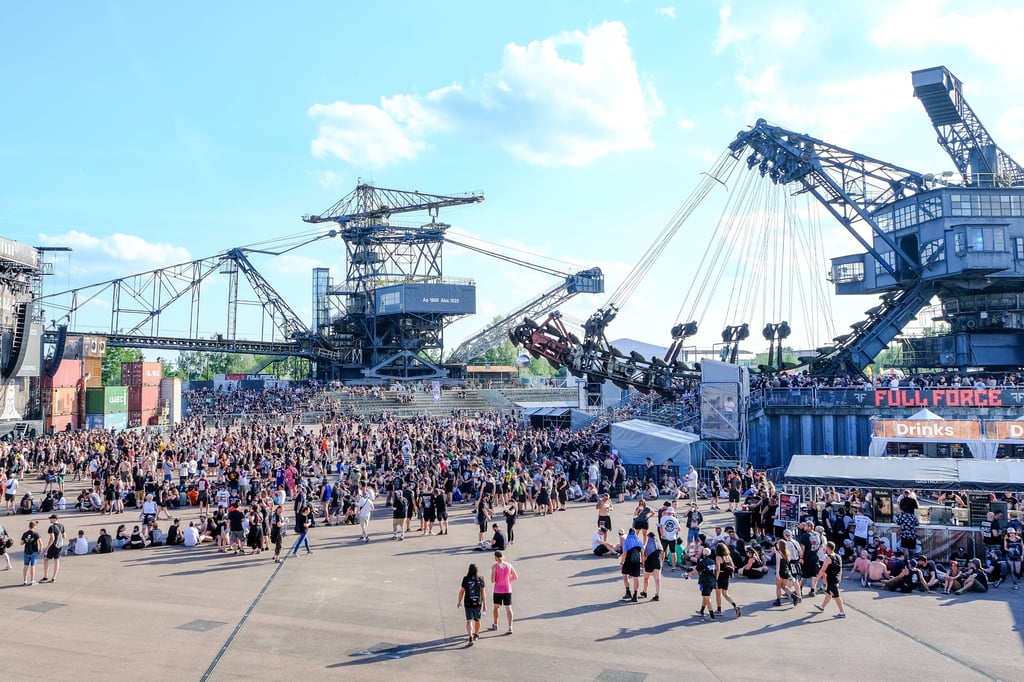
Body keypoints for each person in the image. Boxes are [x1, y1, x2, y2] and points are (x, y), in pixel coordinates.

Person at [814, 541, 846, 618]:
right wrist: (839, 577)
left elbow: (823, 569)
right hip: (836, 578)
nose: (824, 548)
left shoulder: (828, 558)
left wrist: (817, 578)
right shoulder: (838, 556)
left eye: (825, 547)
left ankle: (842, 612)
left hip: (832, 579)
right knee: (829, 593)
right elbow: (840, 568)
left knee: (836, 596)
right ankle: (822, 607)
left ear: (828, 548)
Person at [457, 563, 486, 646]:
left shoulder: (466, 579)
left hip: (468, 602)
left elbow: (461, 591)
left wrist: (459, 601)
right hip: (478, 603)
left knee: (469, 620)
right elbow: (483, 593)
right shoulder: (481, 579)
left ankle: (470, 636)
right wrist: (485, 604)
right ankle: (476, 634)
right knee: (477, 620)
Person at [490, 550, 518, 634]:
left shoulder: (495, 566)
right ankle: (510, 627)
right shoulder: (509, 565)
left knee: (496, 607)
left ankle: (495, 624)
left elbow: (492, 580)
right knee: (508, 608)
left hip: (498, 589)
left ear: (496, 557)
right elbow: (516, 577)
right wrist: (508, 580)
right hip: (507, 589)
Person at [689, 546, 717, 619]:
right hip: (712, 581)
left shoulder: (702, 562)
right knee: (705, 596)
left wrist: (688, 575)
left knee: (707, 598)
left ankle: (712, 616)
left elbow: (695, 571)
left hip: (705, 581)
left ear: (703, 554)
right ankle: (701, 611)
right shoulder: (713, 561)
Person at [713, 542, 741, 617]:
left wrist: (716, 578)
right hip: (726, 577)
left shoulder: (718, 557)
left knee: (718, 594)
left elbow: (718, 569)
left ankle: (719, 610)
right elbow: (733, 566)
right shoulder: (728, 556)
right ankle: (735, 605)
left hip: (720, 576)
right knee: (725, 594)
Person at [619, 528, 643, 602]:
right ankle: (635, 595)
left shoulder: (627, 541)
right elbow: (642, 552)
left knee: (625, 575)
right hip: (636, 561)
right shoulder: (639, 541)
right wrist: (643, 562)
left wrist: (621, 563)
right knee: (635, 578)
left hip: (628, 561)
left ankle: (628, 591)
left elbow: (624, 554)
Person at [40, 513, 65, 583]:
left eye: (51, 518)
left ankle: (45, 576)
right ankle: (54, 577)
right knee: (56, 560)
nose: (50, 519)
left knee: (46, 559)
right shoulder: (62, 526)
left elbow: (52, 538)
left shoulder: (51, 527)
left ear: (54, 519)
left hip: (53, 546)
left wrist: (47, 548)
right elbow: (64, 536)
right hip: (59, 545)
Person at [640, 528, 662, 601]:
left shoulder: (649, 545)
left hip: (649, 563)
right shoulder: (658, 544)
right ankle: (657, 595)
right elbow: (663, 553)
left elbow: (645, 555)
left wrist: (643, 563)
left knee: (646, 578)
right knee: (657, 580)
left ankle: (645, 592)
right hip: (657, 562)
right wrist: (661, 561)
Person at [658, 506, 681, 572]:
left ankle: (661, 565)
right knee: (673, 552)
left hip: (665, 537)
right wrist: (674, 531)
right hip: (672, 538)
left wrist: (662, 534)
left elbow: (660, 527)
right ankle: (674, 567)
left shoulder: (663, 518)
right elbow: (679, 529)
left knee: (663, 551)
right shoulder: (675, 519)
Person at [20, 520, 41, 585]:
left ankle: (25, 580)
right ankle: (32, 580)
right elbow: (40, 542)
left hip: (26, 551)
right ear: (34, 526)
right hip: (34, 552)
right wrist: (40, 549)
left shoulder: (25, 533)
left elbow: (21, 543)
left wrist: (26, 541)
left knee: (26, 566)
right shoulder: (36, 534)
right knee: (33, 566)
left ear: (29, 526)